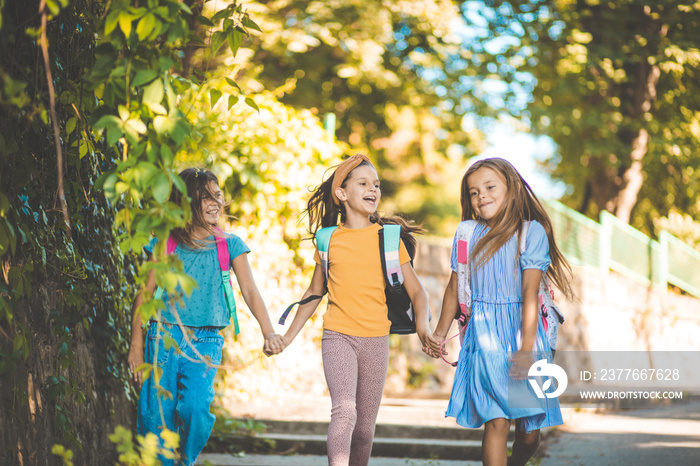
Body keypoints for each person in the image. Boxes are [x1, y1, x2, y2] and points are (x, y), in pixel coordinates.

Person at [280, 154, 434, 466]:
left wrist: (424, 328)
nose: (373, 189)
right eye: (363, 183)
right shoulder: (327, 239)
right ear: (342, 193)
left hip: (376, 340)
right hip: (338, 336)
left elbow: (417, 291)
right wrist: (287, 337)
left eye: (376, 184)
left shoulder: (389, 238)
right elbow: (314, 292)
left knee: (364, 430)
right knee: (344, 410)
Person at [127, 167, 285, 466]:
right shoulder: (165, 242)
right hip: (164, 336)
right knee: (154, 415)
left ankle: (183, 461)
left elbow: (250, 291)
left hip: (207, 341)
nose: (215, 202)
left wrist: (269, 332)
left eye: (218, 195)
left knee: (196, 409)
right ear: (185, 202)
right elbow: (145, 294)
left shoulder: (230, 244)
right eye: (205, 197)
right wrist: (135, 345)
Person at [425, 158, 574, 466]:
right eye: (474, 192)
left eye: (490, 187)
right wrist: (439, 333)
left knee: (529, 431)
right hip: (483, 337)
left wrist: (525, 351)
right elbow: (454, 288)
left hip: (523, 335)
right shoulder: (466, 233)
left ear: (513, 188)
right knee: (496, 421)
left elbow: (529, 294)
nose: (482, 197)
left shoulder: (531, 233)